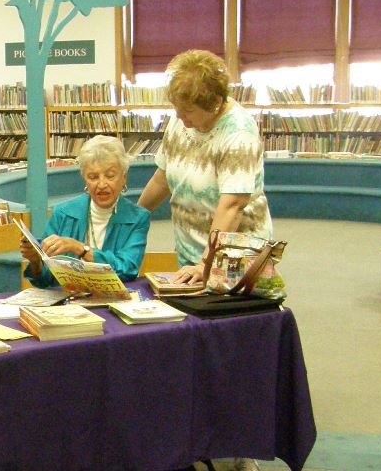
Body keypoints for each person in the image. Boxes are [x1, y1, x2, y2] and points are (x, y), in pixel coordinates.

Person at [137, 50, 272, 471]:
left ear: (213, 103)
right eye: (176, 109)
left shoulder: (238, 133)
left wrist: (210, 264)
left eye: (188, 110)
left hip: (238, 257)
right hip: (191, 251)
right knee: (197, 350)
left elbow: (231, 206)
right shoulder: (182, 123)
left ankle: (243, 446)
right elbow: (163, 177)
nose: (180, 118)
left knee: (237, 355)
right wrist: (131, 220)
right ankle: (198, 435)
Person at [20, 135, 150, 287]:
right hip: (69, 304)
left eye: (110, 176)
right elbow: (47, 280)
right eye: (93, 177)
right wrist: (36, 261)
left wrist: (79, 248)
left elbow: (127, 269)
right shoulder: (62, 213)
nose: (101, 184)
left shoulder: (138, 218)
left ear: (124, 177)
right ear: (85, 180)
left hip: (112, 303)